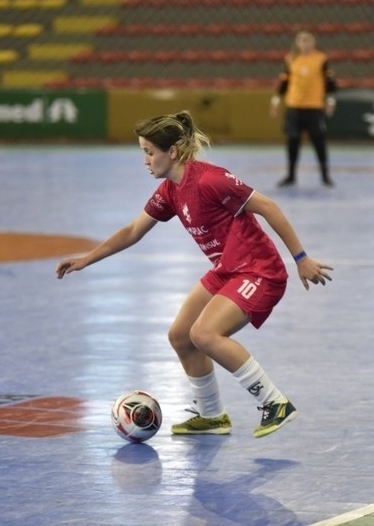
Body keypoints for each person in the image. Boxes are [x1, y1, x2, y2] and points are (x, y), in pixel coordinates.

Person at [55, 111, 332, 438]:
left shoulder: (209, 180)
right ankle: (212, 415)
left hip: (259, 270)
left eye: (149, 152)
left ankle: (276, 404)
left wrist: (300, 258)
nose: (145, 160)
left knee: (206, 334)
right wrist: (88, 259)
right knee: (181, 336)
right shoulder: (171, 190)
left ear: (171, 152)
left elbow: (269, 206)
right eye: (143, 151)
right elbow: (133, 231)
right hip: (227, 270)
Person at [270, 31, 337, 187]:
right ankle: (291, 176)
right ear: (297, 43)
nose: (304, 43)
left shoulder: (321, 59)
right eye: (301, 40)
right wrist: (275, 100)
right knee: (293, 141)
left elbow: (330, 82)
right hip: (294, 106)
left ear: (313, 43)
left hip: (314, 107)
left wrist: (331, 100)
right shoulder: (291, 59)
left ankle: (325, 176)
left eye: (307, 40)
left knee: (319, 141)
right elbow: (284, 83)